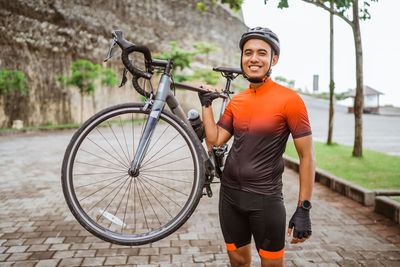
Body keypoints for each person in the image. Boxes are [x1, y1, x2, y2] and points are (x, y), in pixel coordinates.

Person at [198, 27, 316, 267]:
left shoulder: (290, 100)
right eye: (248, 52)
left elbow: (307, 157)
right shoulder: (238, 101)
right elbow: (215, 140)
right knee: (238, 262)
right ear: (242, 58)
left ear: (273, 59)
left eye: (261, 53)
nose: (253, 58)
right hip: (229, 197)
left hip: (266, 200)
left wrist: (303, 208)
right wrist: (206, 106)